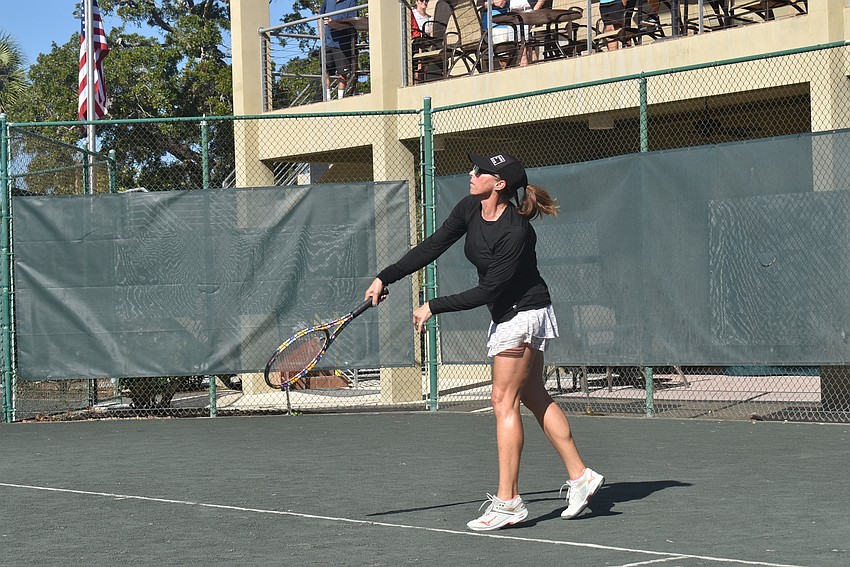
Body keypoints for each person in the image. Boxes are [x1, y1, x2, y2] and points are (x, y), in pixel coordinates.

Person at [363, 153, 604, 531]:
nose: (471, 173)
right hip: (516, 312)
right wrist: (386, 276)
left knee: (502, 401)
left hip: (523, 314)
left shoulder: (516, 231)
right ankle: (581, 477)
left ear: (499, 184)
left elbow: (490, 289)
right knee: (533, 393)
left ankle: (509, 503)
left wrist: (433, 306)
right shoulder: (470, 208)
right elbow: (433, 245)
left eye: (481, 172)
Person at [320, 0, 358, 100]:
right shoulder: (328, 1)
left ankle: (340, 98)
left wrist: (335, 23)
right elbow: (320, 17)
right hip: (327, 42)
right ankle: (327, 97)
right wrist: (321, 37)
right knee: (325, 71)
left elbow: (353, 22)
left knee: (342, 73)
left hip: (342, 44)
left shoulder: (351, 2)